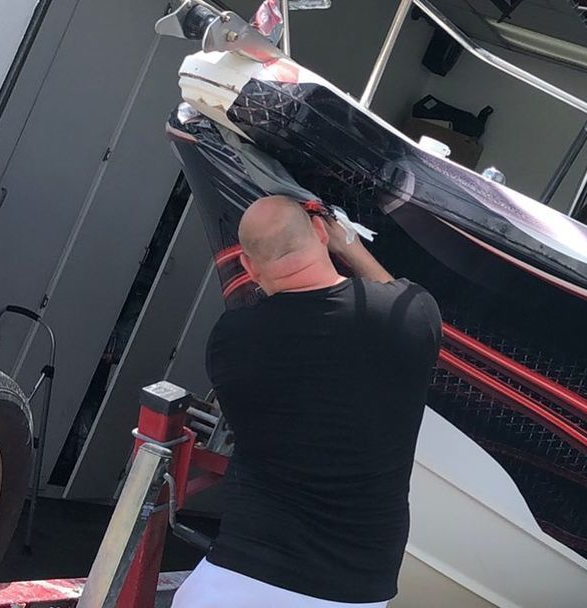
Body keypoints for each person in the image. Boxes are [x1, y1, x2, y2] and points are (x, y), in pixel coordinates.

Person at [173, 196, 442, 607]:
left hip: (233, 582)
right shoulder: (411, 320)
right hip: (349, 596)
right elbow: (399, 296)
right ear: (320, 234)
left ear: (247, 267)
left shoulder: (231, 339)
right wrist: (347, 243)